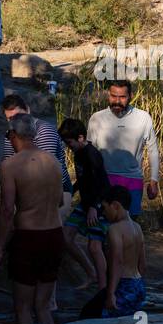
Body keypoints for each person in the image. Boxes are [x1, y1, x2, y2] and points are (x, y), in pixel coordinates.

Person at [0, 115, 66, 324]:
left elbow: (7, 210)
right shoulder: (53, 161)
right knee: (43, 307)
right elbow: (60, 201)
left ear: (14, 134)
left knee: (23, 308)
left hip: (28, 238)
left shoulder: (10, 166)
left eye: (8, 135)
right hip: (54, 235)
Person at [86, 79, 160, 220]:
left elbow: (153, 149)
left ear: (130, 96)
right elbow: (90, 153)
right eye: (114, 96)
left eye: (122, 97)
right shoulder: (97, 118)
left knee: (130, 223)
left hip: (133, 179)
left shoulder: (143, 118)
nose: (117, 101)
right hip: (105, 179)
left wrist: (154, 180)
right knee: (102, 226)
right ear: (108, 95)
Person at [58, 118, 109, 290]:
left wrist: (95, 207)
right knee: (65, 237)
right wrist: (71, 192)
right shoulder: (78, 152)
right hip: (86, 202)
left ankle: (103, 288)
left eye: (69, 143)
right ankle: (91, 274)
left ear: (80, 138)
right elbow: (82, 179)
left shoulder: (91, 154)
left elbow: (99, 183)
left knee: (94, 246)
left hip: (100, 203)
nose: (68, 147)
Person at [99, 184, 146, 318]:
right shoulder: (137, 228)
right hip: (138, 284)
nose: (103, 213)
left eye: (104, 208)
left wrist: (111, 293)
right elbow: (142, 265)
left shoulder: (115, 229)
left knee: (109, 323)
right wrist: (139, 286)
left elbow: (117, 261)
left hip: (123, 285)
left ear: (115, 205)